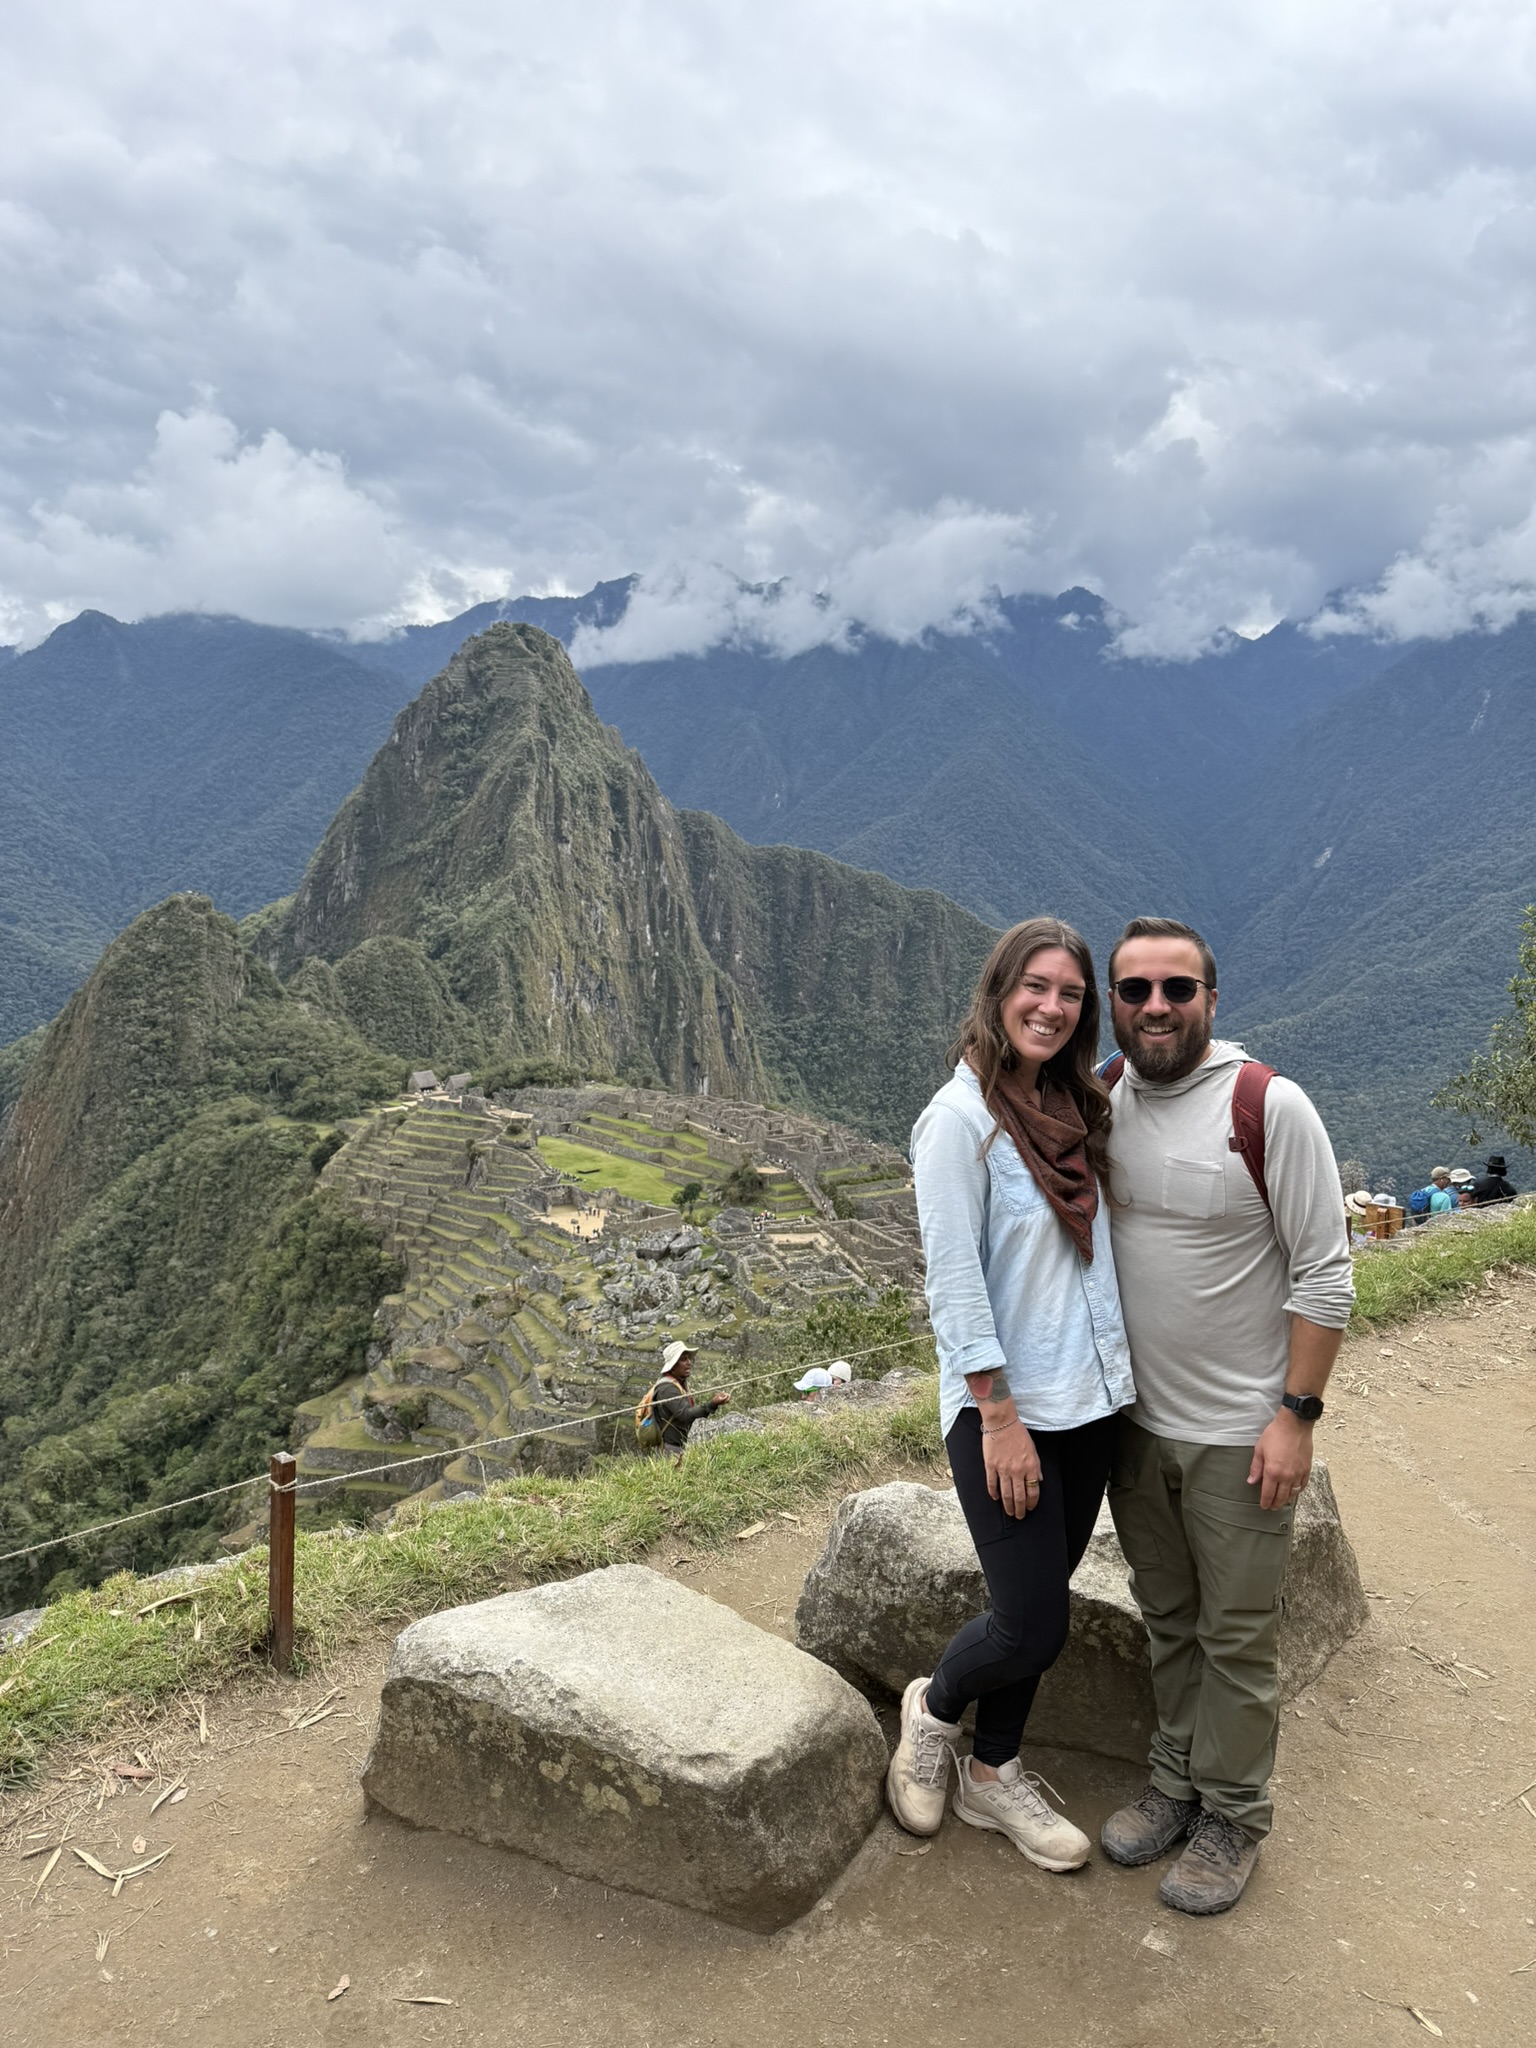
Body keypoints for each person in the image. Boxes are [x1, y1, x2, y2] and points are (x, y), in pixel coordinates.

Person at [1098, 917, 1355, 1916]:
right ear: (1113, 1002)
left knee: (1238, 1633)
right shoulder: (1105, 1098)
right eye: (1134, 990)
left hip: (1240, 1430)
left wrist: (1295, 1414)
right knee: (1167, 1616)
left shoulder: (1268, 1106)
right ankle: (1175, 1778)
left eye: (1175, 988)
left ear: (1212, 997)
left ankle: (1235, 1813)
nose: (1155, 1007)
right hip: (1134, 1423)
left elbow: (1327, 1270)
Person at [890, 917, 1134, 1870]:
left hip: (1090, 1402)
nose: (1051, 1006)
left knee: (1044, 1600)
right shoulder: (959, 1123)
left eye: (1071, 994)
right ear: (998, 994)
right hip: (1009, 1411)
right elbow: (954, 1282)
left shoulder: (1076, 1107)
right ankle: (934, 1709)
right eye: (1035, 986)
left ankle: (993, 1776)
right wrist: (998, 1416)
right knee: (1032, 1620)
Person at [641, 1341, 729, 1454]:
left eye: (689, 1359)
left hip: (677, 1445)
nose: (689, 1363)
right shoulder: (667, 1388)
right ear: (673, 1366)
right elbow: (685, 1415)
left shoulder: (678, 1382)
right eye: (683, 1359)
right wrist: (712, 1404)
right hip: (670, 1449)